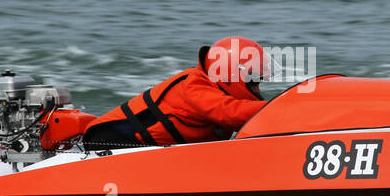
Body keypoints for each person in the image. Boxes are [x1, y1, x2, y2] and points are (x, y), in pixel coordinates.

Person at [83, 37, 269, 149]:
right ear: (232, 74)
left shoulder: (217, 91)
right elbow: (230, 112)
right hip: (112, 141)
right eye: (253, 83)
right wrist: (280, 106)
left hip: (146, 150)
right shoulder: (196, 85)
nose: (256, 91)